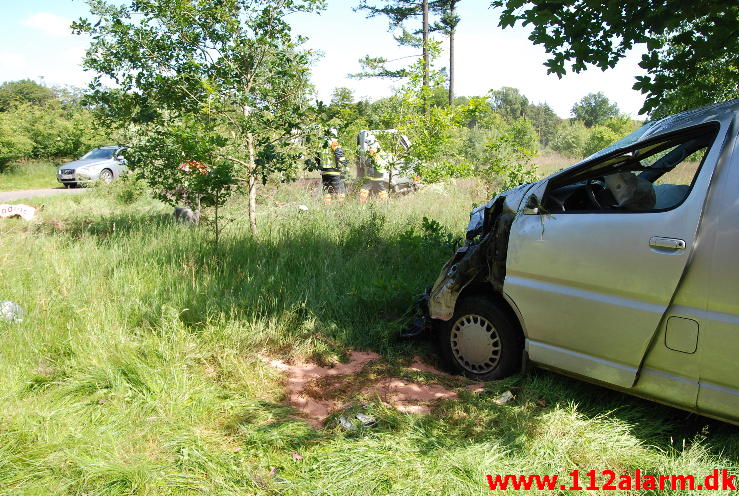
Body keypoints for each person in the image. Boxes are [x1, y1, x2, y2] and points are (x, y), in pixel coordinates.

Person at [359, 134, 391, 203]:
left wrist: (365, 163)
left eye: (367, 143)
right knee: (380, 187)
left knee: (365, 187)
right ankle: (386, 202)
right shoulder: (379, 148)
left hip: (374, 170)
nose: (367, 144)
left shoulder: (372, 149)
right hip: (380, 171)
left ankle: (361, 203)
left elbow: (369, 161)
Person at [319, 128, 348, 205]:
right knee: (340, 189)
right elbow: (339, 154)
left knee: (327, 189)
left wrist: (320, 166)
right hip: (334, 170)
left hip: (324, 171)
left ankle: (327, 206)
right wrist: (345, 164)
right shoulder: (333, 142)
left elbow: (317, 157)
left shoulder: (321, 143)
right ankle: (341, 207)